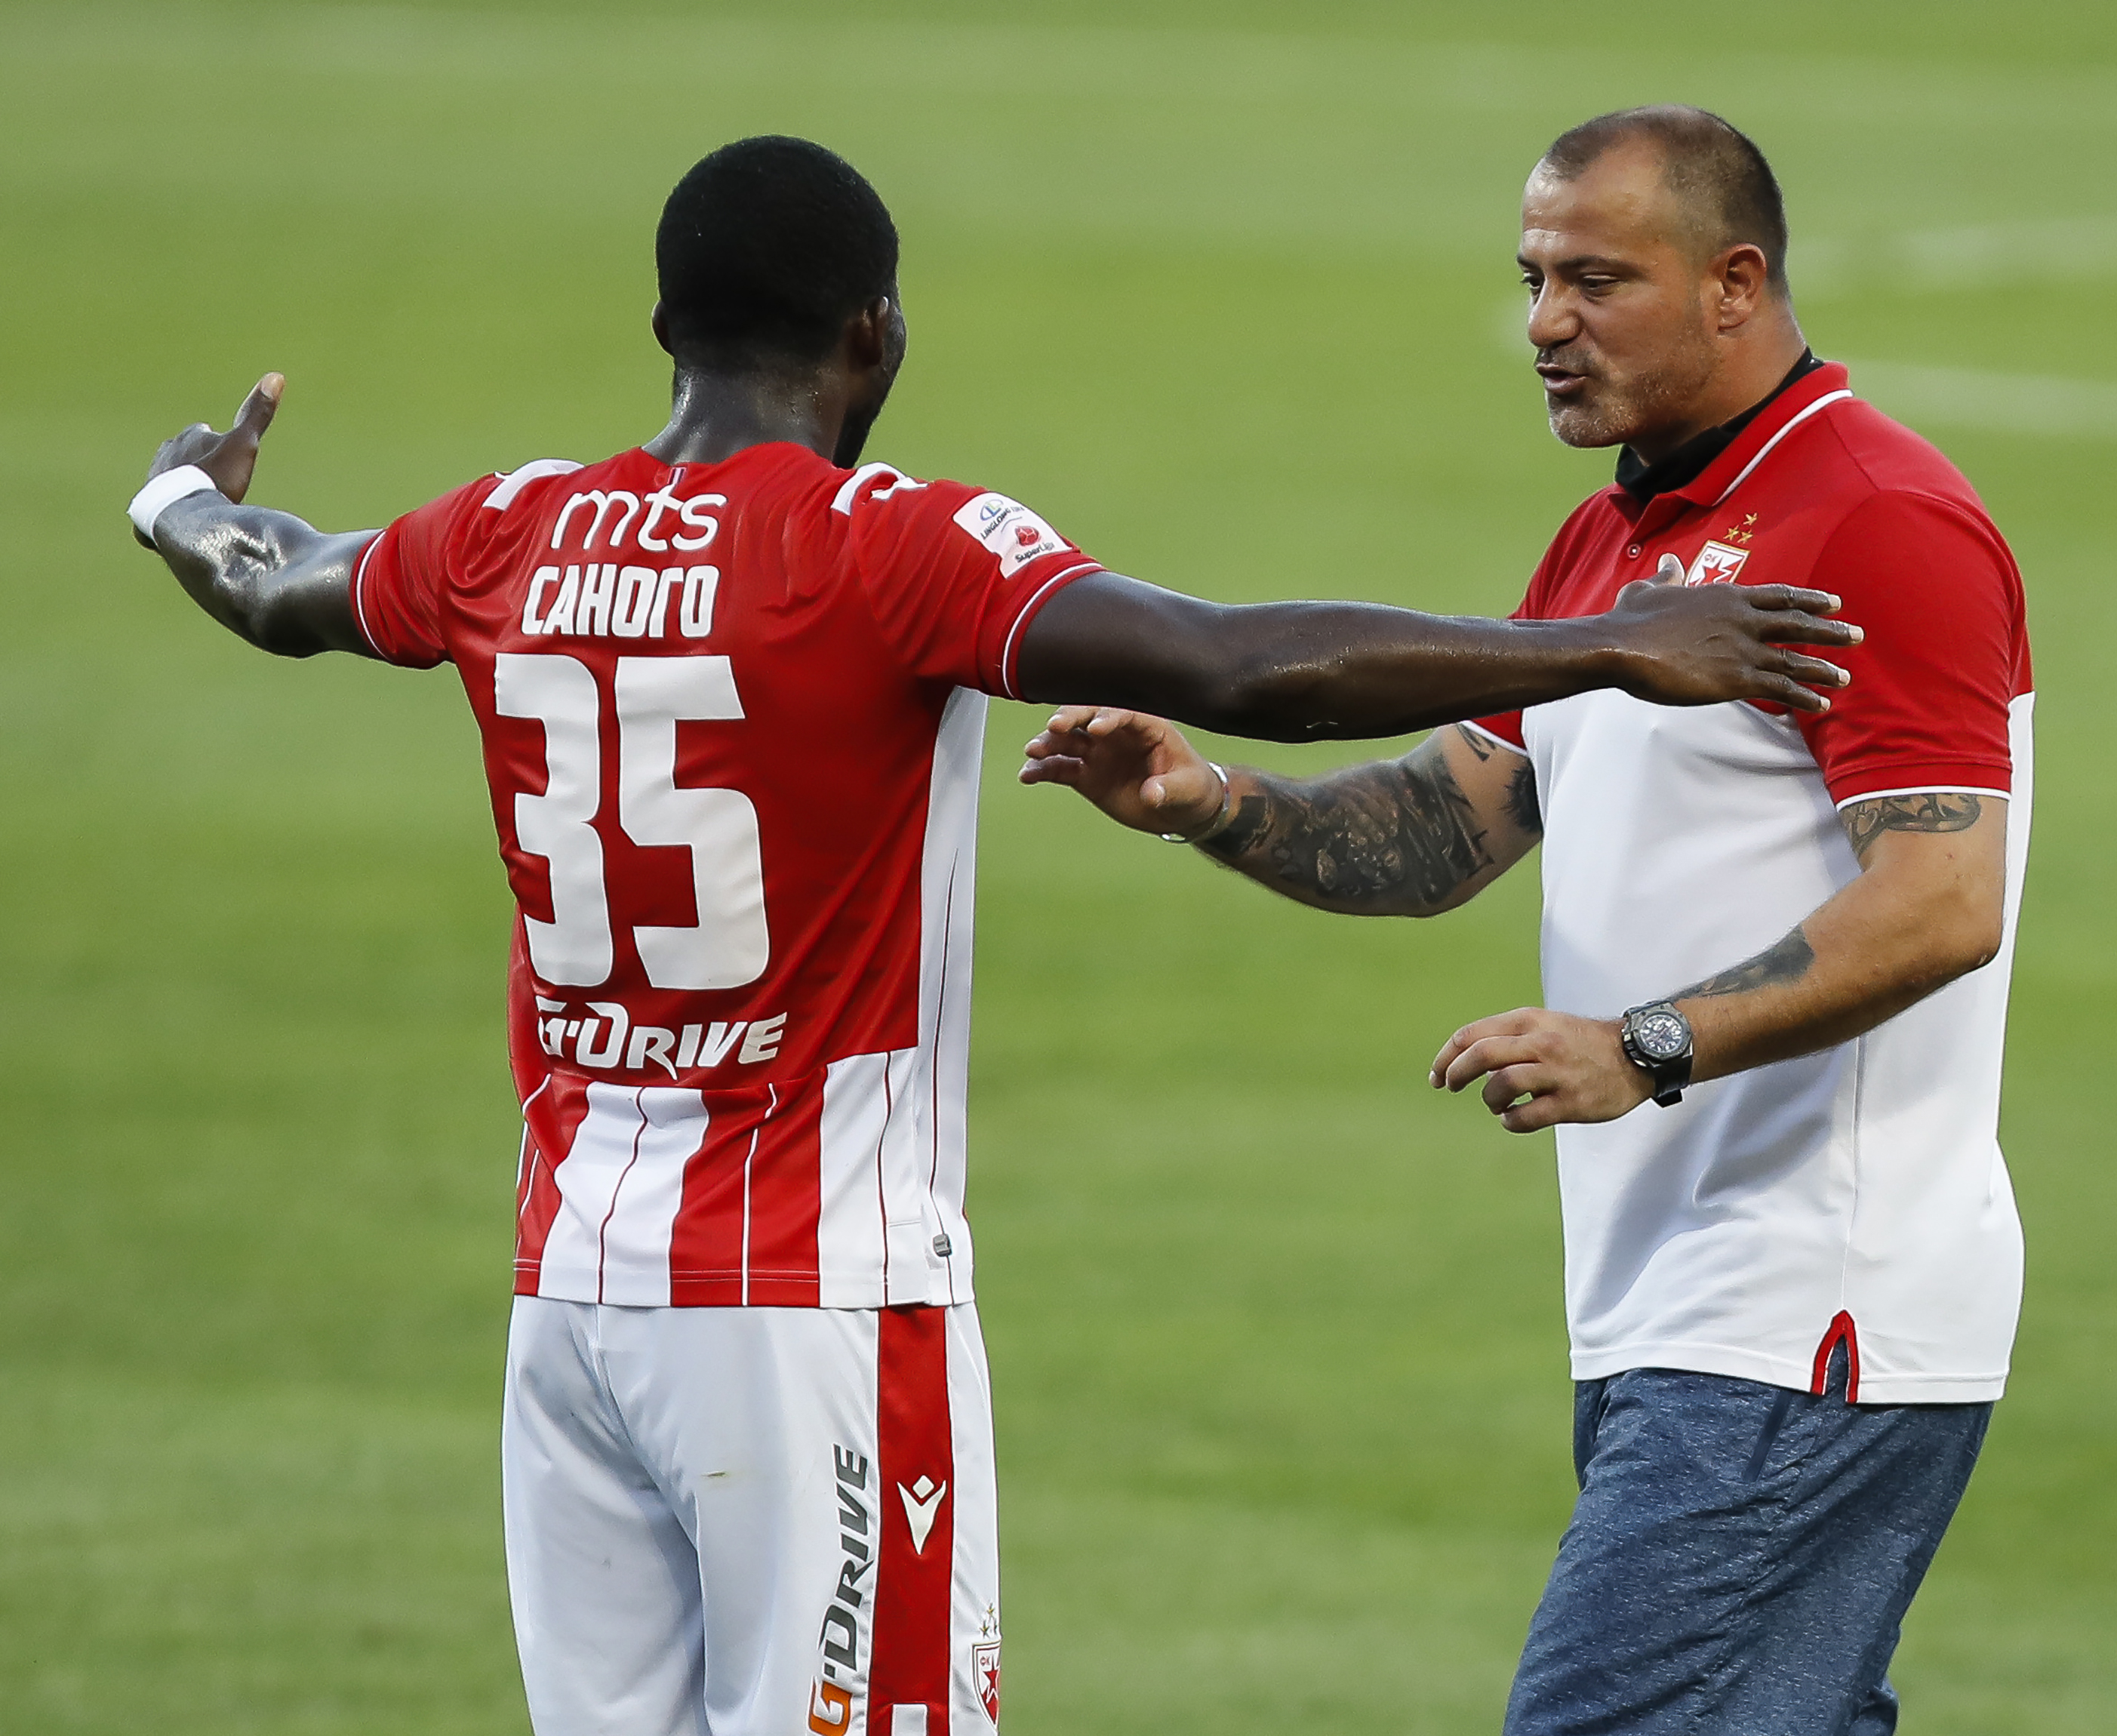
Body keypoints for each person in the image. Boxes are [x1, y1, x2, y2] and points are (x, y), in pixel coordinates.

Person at [125, 135, 1857, 1736]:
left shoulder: (505, 533)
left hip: (567, 1296)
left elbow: (275, 582)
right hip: (809, 1293)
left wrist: (180, 503)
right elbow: (1244, 663)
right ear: (873, 338)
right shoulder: (885, 548)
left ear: (667, 326)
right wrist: (1607, 643)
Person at [1023, 106, 2031, 1734]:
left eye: (1596, 280)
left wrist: (1648, 1043)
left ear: (1735, 282)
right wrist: (1202, 802)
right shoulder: (1609, 543)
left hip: (1807, 1300)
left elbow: (1939, 901)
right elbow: (1435, 832)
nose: (1545, 322)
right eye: (1533, 278)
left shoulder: (1874, 519)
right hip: (1670, 1298)